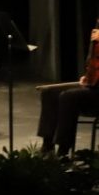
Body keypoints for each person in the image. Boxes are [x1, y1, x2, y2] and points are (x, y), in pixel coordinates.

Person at [36, 27, 99, 156]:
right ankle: (47, 148)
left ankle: (63, 152)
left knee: (68, 97)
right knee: (49, 93)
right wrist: (89, 75)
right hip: (94, 88)